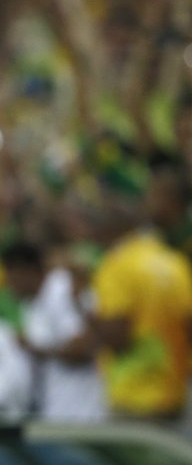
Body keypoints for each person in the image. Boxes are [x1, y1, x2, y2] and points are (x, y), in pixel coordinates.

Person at [91, 164, 192, 420]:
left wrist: (87, 315)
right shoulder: (174, 261)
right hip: (174, 397)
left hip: (132, 400)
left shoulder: (117, 264)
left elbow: (117, 335)